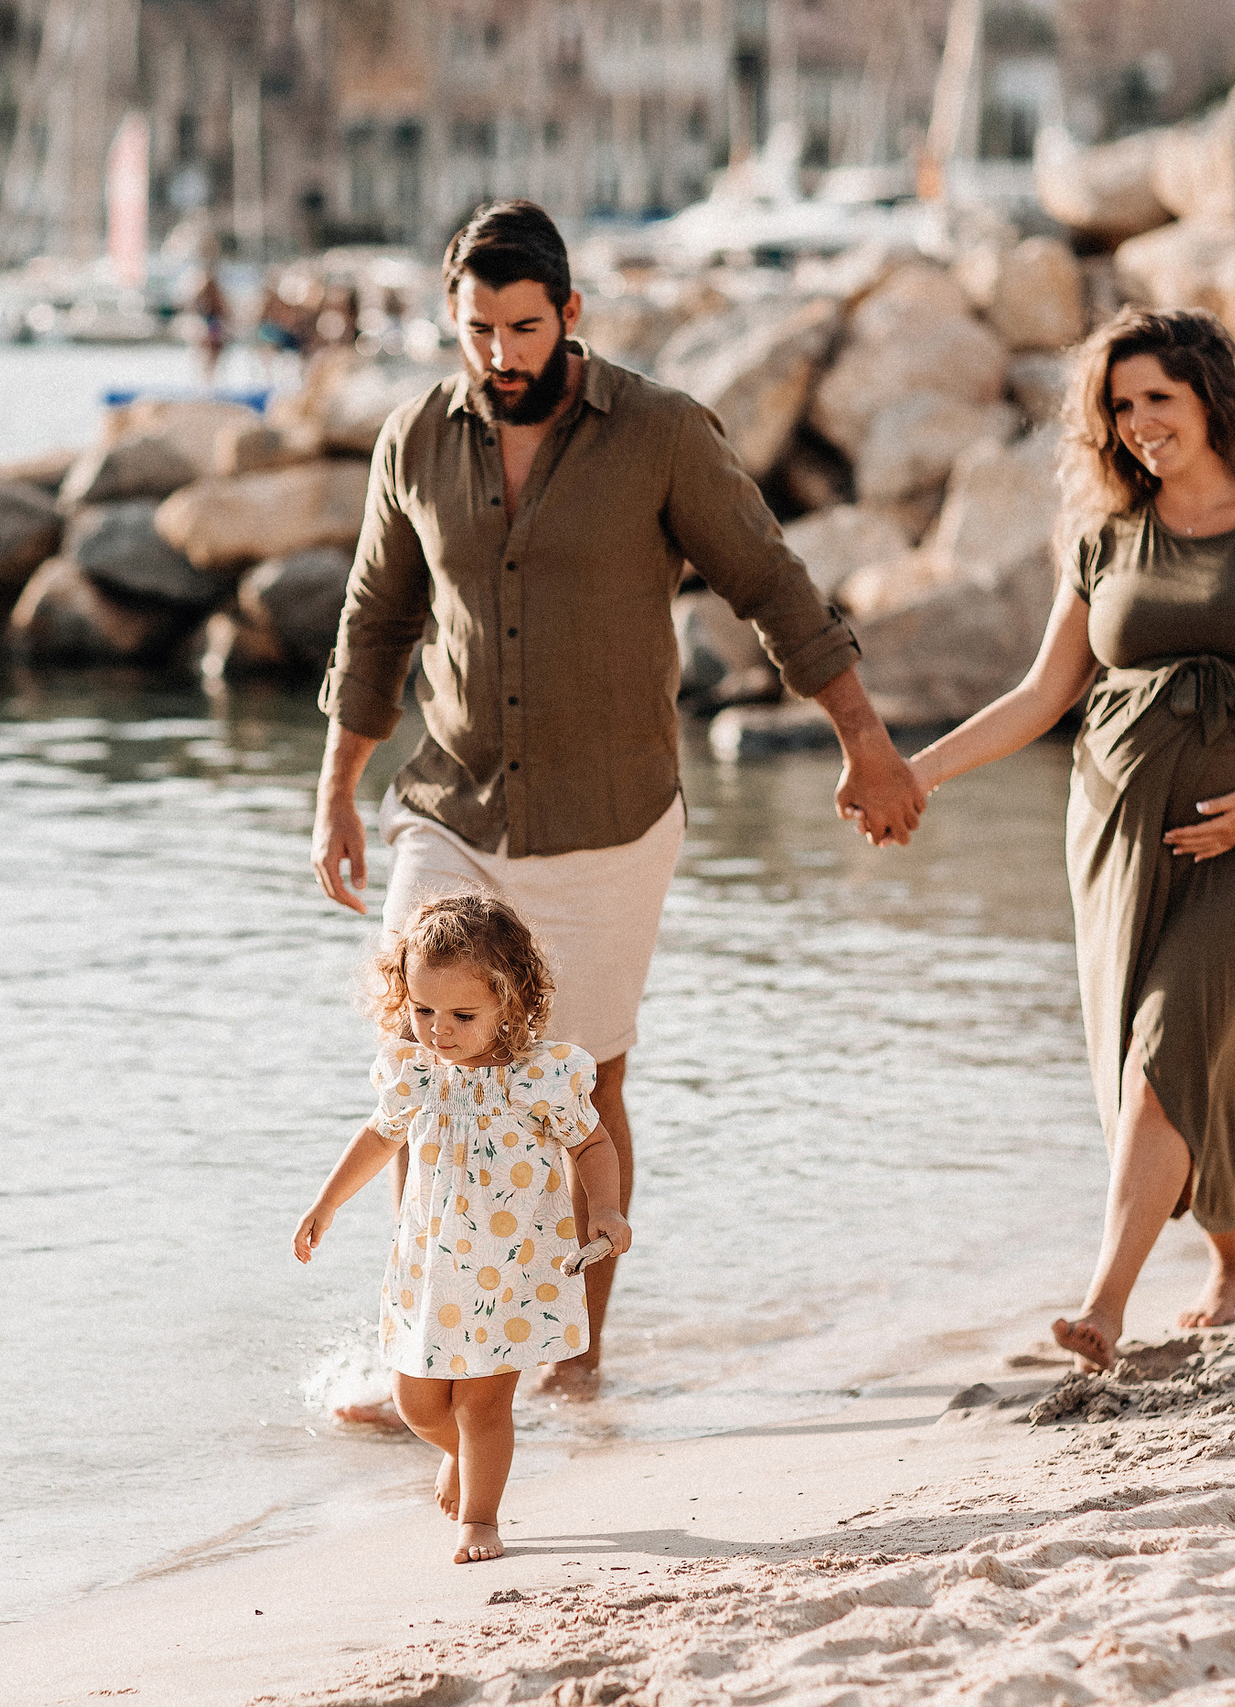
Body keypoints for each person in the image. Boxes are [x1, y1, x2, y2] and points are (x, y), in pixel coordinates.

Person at [310, 199, 923, 1408]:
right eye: (477, 329)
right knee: (419, 1070)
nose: (499, 354)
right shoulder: (413, 442)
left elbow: (770, 584)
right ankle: (435, 1344)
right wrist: (335, 790)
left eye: (523, 326)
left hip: (609, 821)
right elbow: (375, 621)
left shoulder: (659, 433)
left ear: (570, 316)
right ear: (451, 320)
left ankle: (573, 1357)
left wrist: (865, 740)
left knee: (584, 1085)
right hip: (450, 806)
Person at [902, 307, 1235, 1372]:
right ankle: (1234, 1257)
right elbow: (1042, 695)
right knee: (1163, 1055)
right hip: (1117, 824)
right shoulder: (1104, 538)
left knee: (1171, 1049)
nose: (1135, 424)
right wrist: (919, 771)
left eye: (1155, 399)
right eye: (1118, 407)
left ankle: (1102, 1306)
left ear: (1210, 396)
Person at [293, 894, 630, 1564]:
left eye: (462, 1015)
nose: (438, 1029)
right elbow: (378, 1137)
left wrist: (606, 1208)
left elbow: (591, 1144)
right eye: (423, 1010)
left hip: (512, 1269)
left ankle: (481, 1517)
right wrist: (326, 1204)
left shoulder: (540, 1077)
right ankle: (463, 1453)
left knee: (482, 1403)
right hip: (431, 1267)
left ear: (510, 1000)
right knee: (415, 1402)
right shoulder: (416, 1072)